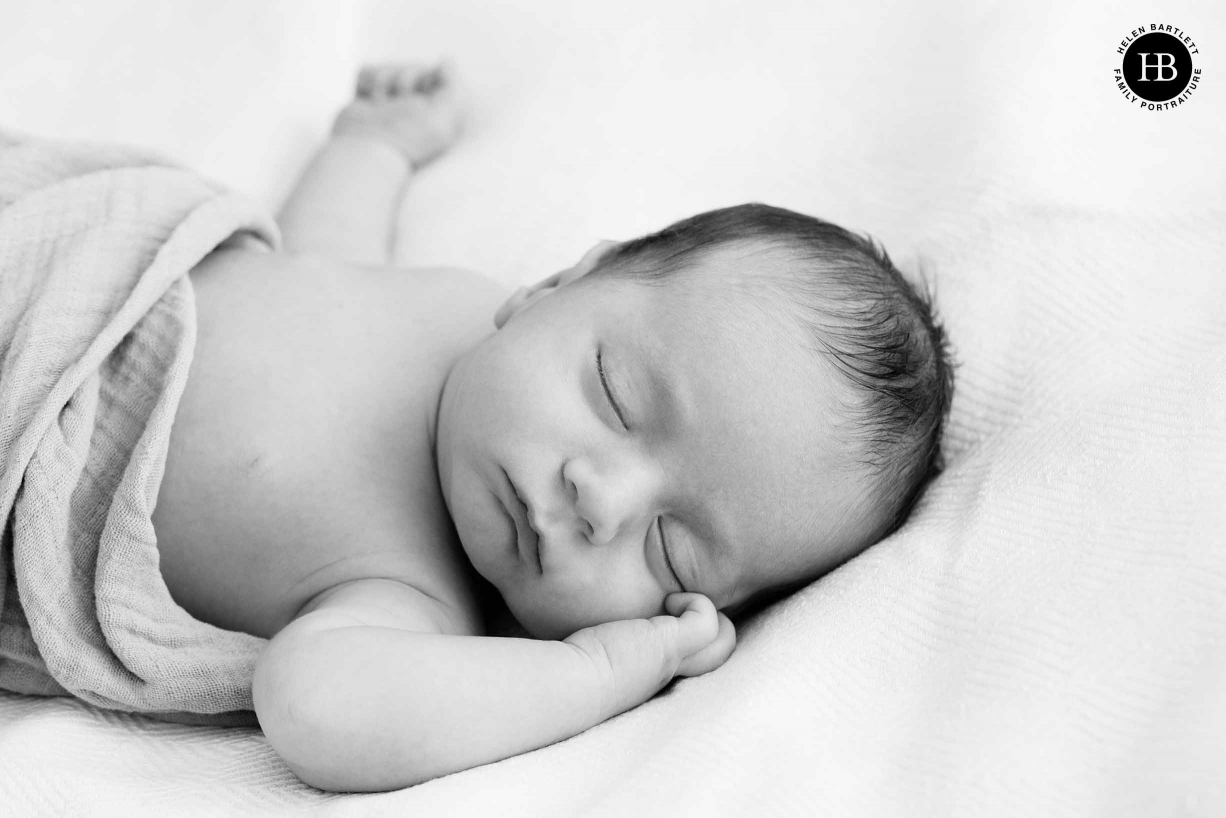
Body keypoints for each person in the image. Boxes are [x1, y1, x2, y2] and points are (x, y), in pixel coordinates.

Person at [143, 61, 953, 791]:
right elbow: (321, 258)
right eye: (617, 396)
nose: (602, 502)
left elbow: (315, 707)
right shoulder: (451, 305)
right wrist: (372, 151)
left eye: (671, 551)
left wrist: (596, 672)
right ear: (558, 284)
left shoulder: (410, 603)